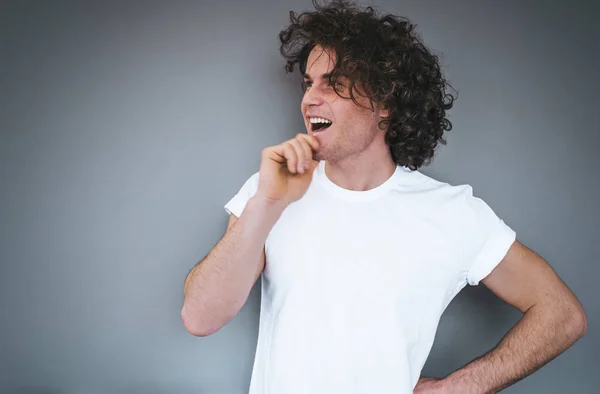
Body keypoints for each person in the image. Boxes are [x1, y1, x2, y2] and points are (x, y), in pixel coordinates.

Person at [181, 1, 587, 393]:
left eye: (334, 83)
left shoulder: (453, 213)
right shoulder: (269, 190)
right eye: (308, 83)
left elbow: (562, 315)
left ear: (385, 104)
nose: (309, 98)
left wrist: (462, 387)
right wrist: (267, 204)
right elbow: (200, 317)